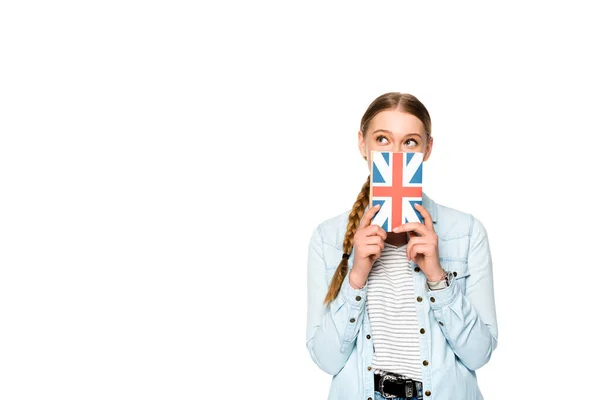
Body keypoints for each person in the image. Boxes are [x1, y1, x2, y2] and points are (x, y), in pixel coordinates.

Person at [305, 92, 498, 400]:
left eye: (410, 142)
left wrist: (436, 276)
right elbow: (326, 360)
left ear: (427, 149)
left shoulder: (467, 232)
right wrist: (357, 275)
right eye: (382, 139)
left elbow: (479, 354)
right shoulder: (327, 238)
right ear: (362, 144)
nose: (396, 155)